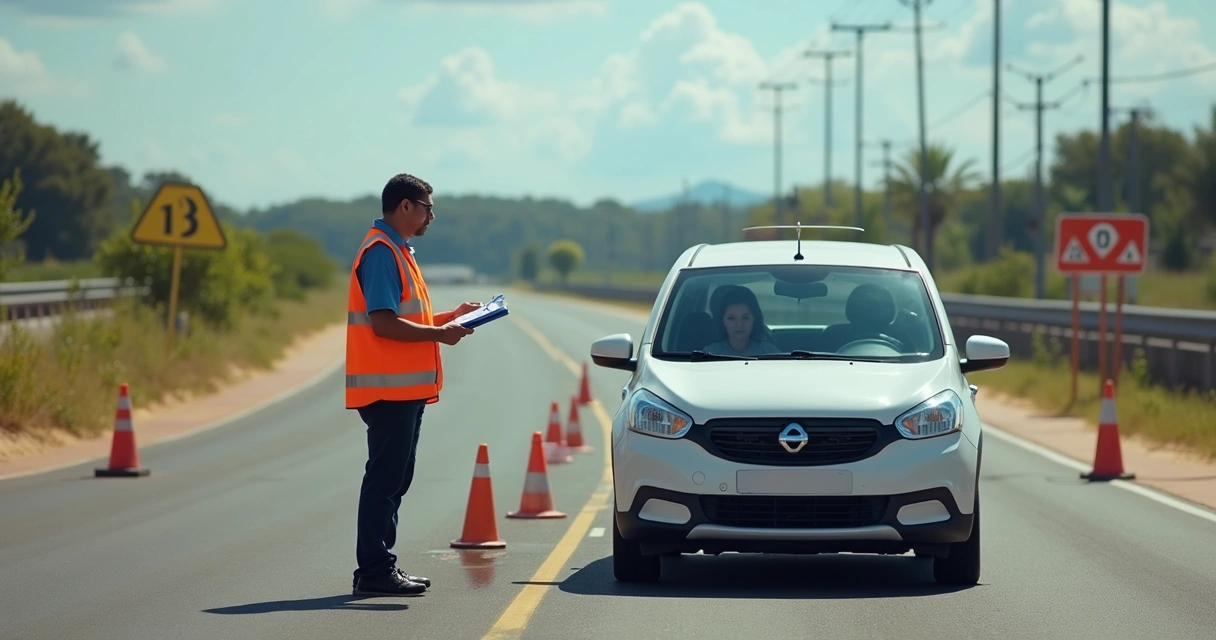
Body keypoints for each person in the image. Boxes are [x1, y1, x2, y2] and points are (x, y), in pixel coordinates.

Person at [345, 172, 482, 596]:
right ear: (405, 206)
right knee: (385, 482)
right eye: (427, 207)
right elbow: (384, 324)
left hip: (402, 390)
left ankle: (379, 567)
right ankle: (374, 571)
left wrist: (448, 318)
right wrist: (440, 335)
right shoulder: (383, 252)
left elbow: (409, 320)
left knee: (393, 481)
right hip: (389, 390)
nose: (431, 216)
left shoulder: (397, 250)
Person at [703, 286, 782, 356]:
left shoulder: (769, 352)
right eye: (731, 318)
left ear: (754, 319)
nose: (739, 325)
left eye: (745, 318)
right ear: (723, 321)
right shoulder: (709, 354)